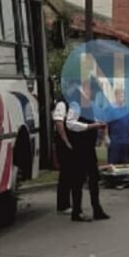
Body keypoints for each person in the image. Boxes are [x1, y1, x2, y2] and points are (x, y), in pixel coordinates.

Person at [63, 77, 110, 222]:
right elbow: (70, 123)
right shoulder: (76, 101)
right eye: (95, 93)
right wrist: (90, 126)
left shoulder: (87, 102)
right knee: (78, 178)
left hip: (88, 146)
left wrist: (97, 124)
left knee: (94, 177)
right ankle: (77, 211)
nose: (95, 96)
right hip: (79, 146)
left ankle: (97, 208)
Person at [52, 83, 75, 215]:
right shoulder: (62, 104)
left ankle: (68, 202)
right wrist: (66, 141)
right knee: (66, 173)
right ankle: (63, 204)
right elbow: (59, 123)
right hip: (64, 143)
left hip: (70, 142)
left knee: (70, 173)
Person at [103, 88, 129, 166]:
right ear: (116, 96)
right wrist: (106, 136)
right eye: (120, 96)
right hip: (114, 141)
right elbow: (105, 123)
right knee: (113, 164)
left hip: (125, 141)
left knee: (125, 163)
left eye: (123, 96)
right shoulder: (110, 109)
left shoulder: (126, 109)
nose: (122, 98)